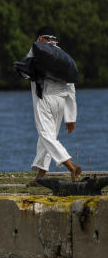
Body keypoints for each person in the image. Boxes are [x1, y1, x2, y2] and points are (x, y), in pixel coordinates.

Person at [26, 27, 82, 186]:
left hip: (45, 98)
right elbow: (71, 86)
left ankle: (71, 166)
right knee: (48, 137)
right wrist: (71, 116)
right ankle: (40, 178)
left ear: (40, 38)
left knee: (46, 135)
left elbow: (25, 70)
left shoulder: (36, 51)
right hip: (61, 101)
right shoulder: (62, 56)